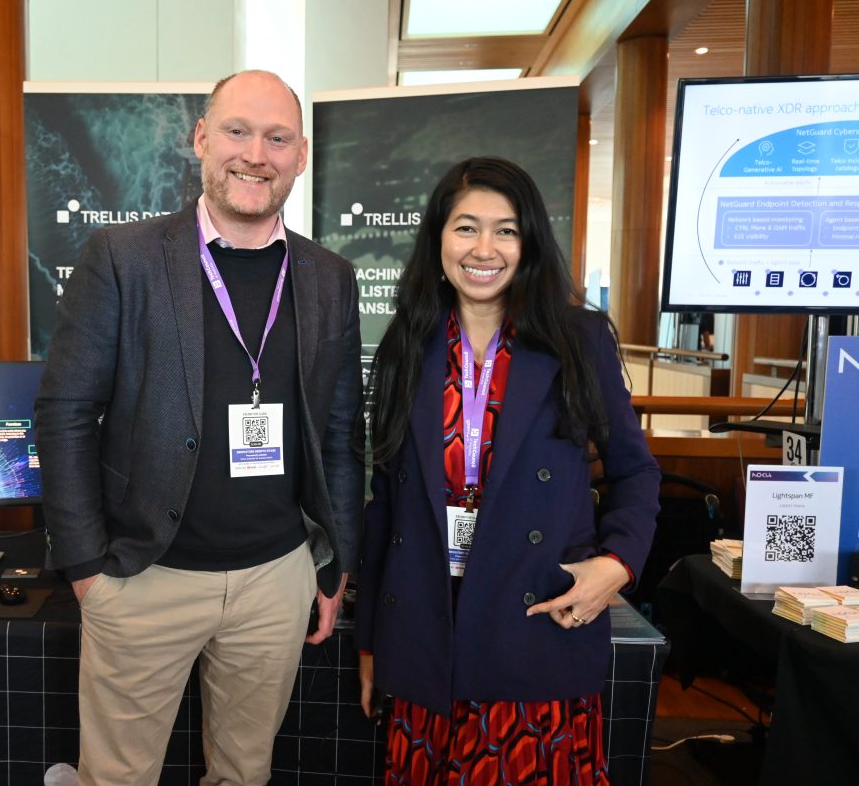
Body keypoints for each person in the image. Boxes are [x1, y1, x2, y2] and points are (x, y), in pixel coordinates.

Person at [34, 70, 364, 786]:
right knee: (117, 779)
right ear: (201, 140)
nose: (256, 154)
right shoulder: (122, 260)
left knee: (244, 775)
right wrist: (87, 569)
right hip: (145, 576)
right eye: (238, 132)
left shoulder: (329, 277)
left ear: (301, 155)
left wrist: (335, 564)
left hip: (276, 579)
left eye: (277, 138)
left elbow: (339, 432)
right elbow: (64, 416)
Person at [354, 157, 659, 784]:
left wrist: (617, 564)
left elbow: (636, 472)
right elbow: (385, 503)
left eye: (507, 230)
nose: (484, 248)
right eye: (466, 228)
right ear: (438, 239)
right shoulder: (405, 346)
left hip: (537, 624)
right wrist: (370, 641)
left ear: (530, 243)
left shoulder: (579, 339)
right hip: (424, 632)